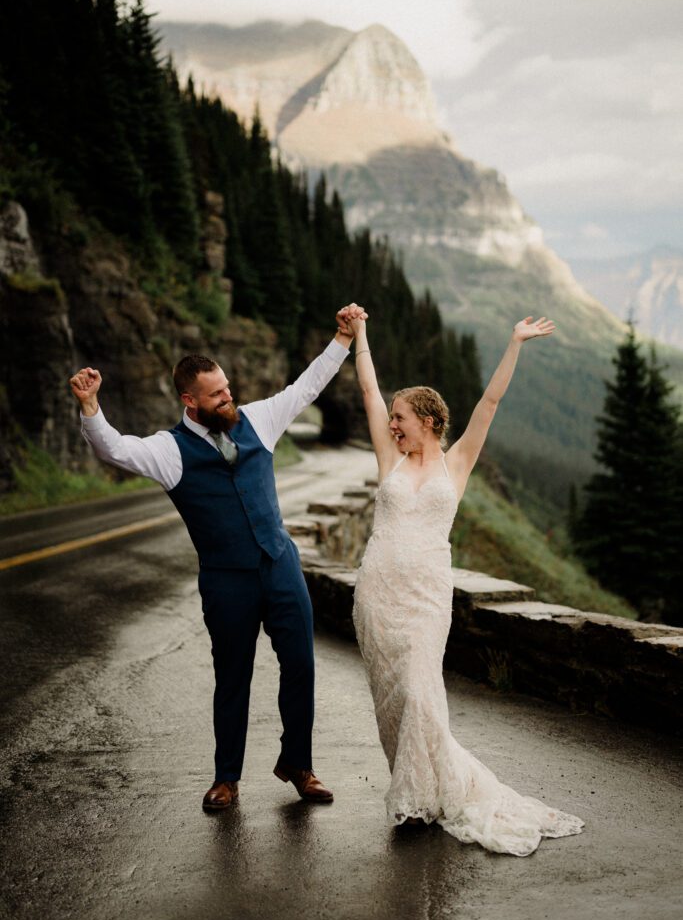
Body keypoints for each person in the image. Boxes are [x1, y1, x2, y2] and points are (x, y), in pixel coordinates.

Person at [69, 303, 367, 811]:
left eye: (228, 388)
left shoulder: (258, 419)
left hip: (281, 565)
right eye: (217, 394)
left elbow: (306, 388)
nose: (229, 397)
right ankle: (226, 778)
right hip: (226, 581)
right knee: (233, 676)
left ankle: (298, 763)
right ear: (190, 399)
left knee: (300, 664)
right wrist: (91, 406)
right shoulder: (169, 451)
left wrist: (342, 338)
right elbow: (114, 449)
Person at [346, 313, 584, 856]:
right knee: (392, 700)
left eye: (402, 419)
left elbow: (489, 405)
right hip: (378, 592)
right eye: (393, 419)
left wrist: (515, 343)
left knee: (420, 691)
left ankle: (421, 796)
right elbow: (367, 387)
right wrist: (361, 333)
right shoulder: (390, 460)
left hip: (427, 596)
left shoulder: (456, 464)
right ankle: (416, 791)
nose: (394, 426)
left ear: (428, 420)